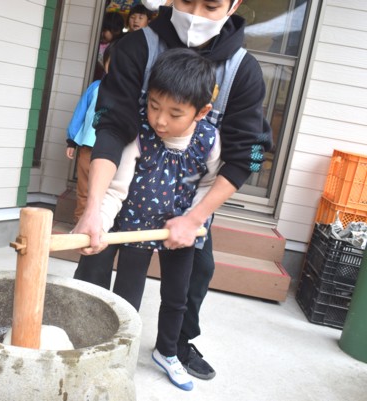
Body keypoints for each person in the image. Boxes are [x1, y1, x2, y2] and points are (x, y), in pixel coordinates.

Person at [73, 0, 273, 382]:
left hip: (187, 205)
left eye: (210, 5)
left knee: (195, 274)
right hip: (124, 191)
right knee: (94, 259)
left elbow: (242, 157)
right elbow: (113, 127)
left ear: (234, 5)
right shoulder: (137, 47)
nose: (194, 13)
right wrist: (94, 208)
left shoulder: (243, 71)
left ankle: (175, 345)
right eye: (185, 0)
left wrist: (194, 219)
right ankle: (82, 339)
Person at [88, 48, 219, 391]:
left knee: (177, 297)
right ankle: (118, 354)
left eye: (175, 113)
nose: (160, 120)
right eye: (154, 106)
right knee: (126, 298)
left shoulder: (209, 141)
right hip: (135, 227)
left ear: (201, 112)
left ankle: (168, 351)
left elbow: (210, 186)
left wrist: (192, 221)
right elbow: (116, 189)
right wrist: (100, 223)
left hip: (182, 231)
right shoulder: (140, 133)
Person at [66, 41, 117, 223]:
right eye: (113, 62)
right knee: (84, 187)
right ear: (105, 63)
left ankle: (100, 225)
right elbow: (80, 111)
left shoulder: (130, 93)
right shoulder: (95, 87)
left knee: (107, 190)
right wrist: (72, 140)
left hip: (112, 150)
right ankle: (79, 223)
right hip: (88, 146)